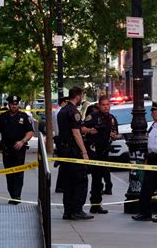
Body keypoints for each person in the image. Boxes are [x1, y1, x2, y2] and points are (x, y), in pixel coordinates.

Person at [57, 87, 94, 220]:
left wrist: (88, 130)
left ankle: (68, 211)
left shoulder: (63, 110)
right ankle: (77, 210)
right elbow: (76, 133)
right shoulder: (74, 111)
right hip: (73, 151)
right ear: (78, 97)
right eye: (82, 96)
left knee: (68, 182)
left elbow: (76, 128)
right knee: (80, 180)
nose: (82, 99)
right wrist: (84, 152)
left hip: (64, 150)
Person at [0, 95, 34, 204]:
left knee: (18, 173)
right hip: (6, 149)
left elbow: (30, 132)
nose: (14, 106)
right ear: (9, 105)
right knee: (9, 173)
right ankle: (12, 194)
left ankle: (17, 196)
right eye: (12, 104)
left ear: (18, 104)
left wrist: (22, 141)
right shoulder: (3, 117)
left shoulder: (24, 117)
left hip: (19, 149)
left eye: (16, 104)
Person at [83, 96, 118, 214]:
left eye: (108, 104)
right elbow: (81, 128)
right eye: (103, 105)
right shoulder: (93, 116)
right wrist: (89, 131)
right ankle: (94, 204)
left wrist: (114, 136)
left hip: (104, 152)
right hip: (93, 151)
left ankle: (97, 204)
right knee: (95, 178)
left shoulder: (112, 119)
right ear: (99, 105)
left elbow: (115, 133)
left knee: (100, 178)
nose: (106, 107)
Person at [53, 96, 69, 193]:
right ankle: (60, 186)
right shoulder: (61, 112)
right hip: (62, 139)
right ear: (63, 102)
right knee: (64, 164)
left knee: (63, 164)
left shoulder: (57, 111)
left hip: (59, 138)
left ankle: (61, 185)